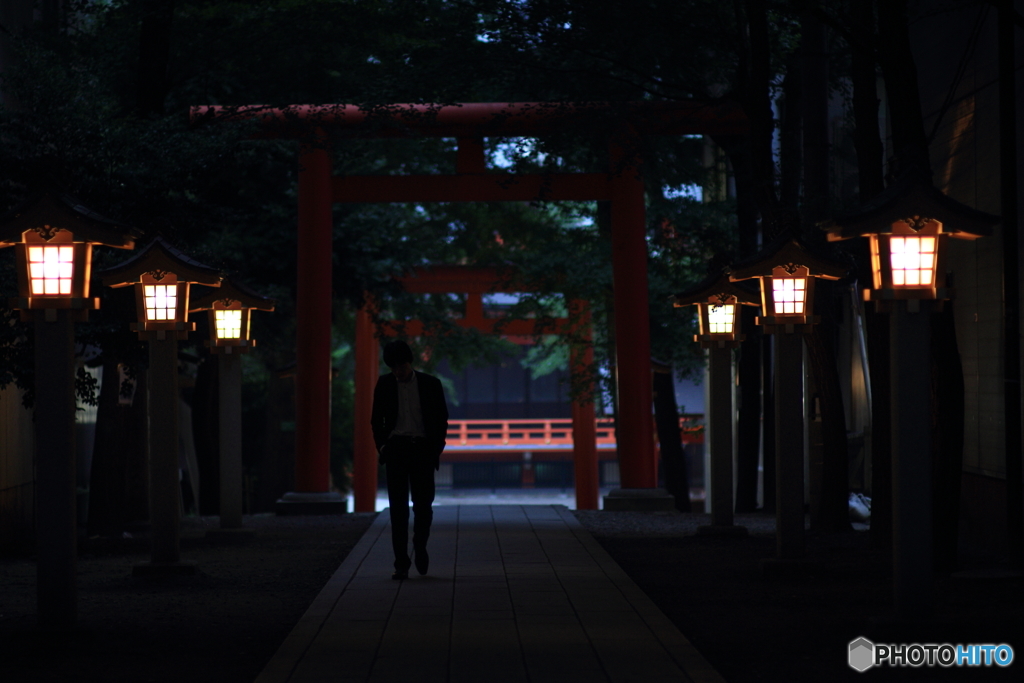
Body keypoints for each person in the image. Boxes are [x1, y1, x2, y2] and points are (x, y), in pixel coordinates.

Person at [371, 339, 449, 580]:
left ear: (409, 363)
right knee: (397, 509)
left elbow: (441, 419)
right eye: (393, 368)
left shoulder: (430, 384)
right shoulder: (384, 384)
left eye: (401, 367)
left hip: (422, 448)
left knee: (423, 505)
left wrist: (436, 448)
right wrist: (383, 447)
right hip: (396, 448)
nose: (398, 372)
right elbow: (376, 419)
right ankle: (401, 562)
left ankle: (420, 544)